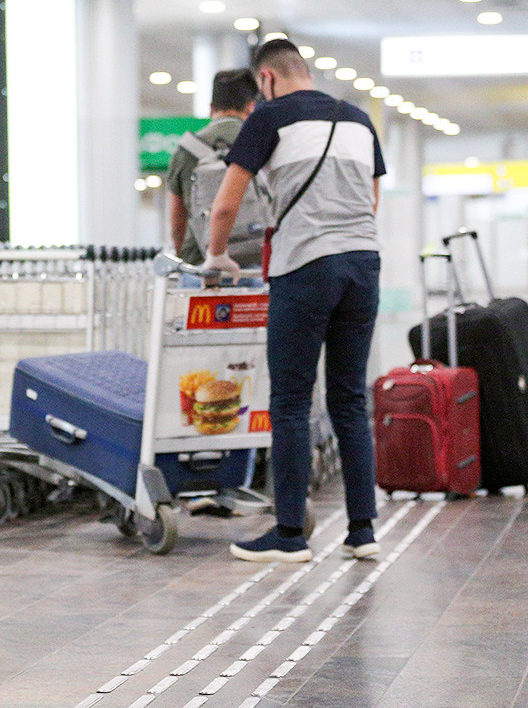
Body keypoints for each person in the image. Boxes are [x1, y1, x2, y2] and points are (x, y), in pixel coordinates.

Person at [203, 39, 386, 563]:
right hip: (362, 264)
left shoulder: (269, 118)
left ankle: (289, 534)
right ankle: (362, 530)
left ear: (266, 80)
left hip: (306, 265)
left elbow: (225, 206)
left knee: (289, 401)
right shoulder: (357, 119)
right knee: (350, 399)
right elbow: (370, 201)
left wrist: (217, 258)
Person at [165, 68, 259, 266]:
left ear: (211, 107)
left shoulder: (187, 148)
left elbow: (177, 216)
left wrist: (181, 254)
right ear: (251, 107)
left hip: (201, 261)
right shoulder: (262, 142)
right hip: (255, 262)